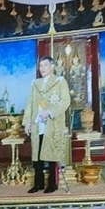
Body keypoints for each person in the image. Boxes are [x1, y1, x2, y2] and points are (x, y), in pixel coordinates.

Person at [22, 55, 71, 194]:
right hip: (37, 124)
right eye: (40, 66)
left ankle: (52, 184)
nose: (42, 68)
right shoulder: (35, 84)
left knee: (51, 154)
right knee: (36, 155)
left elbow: (65, 101)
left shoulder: (60, 81)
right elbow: (30, 104)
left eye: (45, 65)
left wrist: (49, 111)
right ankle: (38, 184)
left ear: (52, 66)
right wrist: (27, 123)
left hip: (52, 124)